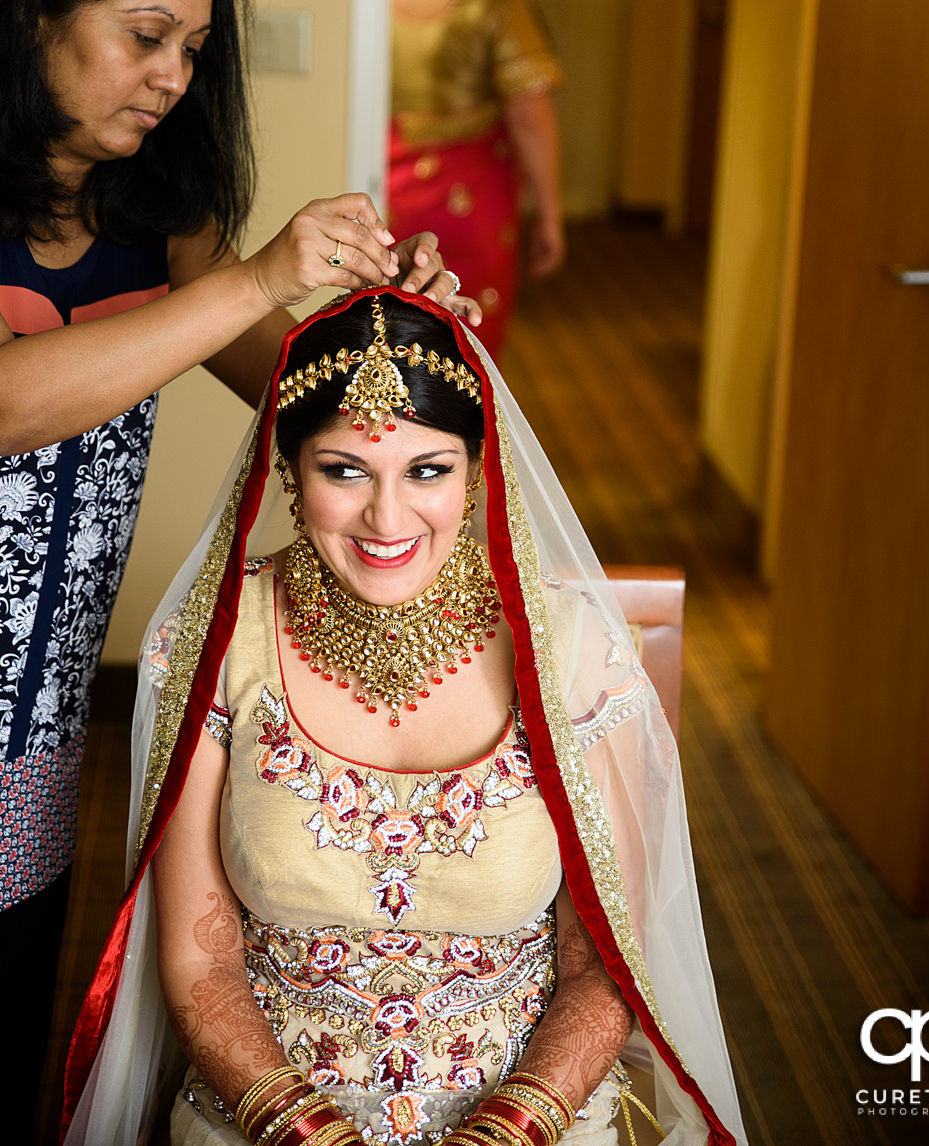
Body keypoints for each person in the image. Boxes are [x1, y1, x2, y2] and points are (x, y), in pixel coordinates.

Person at [0, 0, 476, 1107]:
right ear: (26, 15)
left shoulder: (152, 225)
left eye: (195, 49)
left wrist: (401, 334)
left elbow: (293, 390)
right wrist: (261, 274)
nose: (174, 77)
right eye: (145, 37)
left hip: (38, 720)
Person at [63, 288, 747, 1146]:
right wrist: (307, 1132)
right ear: (288, 470)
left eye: (427, 470)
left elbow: (602, 964)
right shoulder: (220, 637)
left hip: (530, 1122)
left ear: (476, 470)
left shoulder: (567, 650)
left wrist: (500, 1134)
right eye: (343, 470)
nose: (387, 519)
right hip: (264, 1119)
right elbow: (200, 962)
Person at [389, 0, 566, 358]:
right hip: (469, 193)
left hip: (390, 185)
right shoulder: (498, 0)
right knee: (466, 343)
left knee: (396, 338)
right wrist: (551, 215)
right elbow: (531, 121)